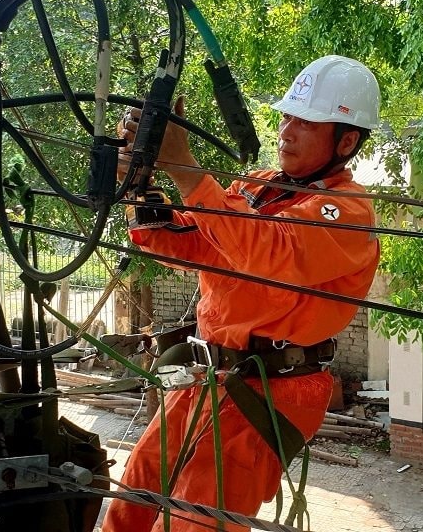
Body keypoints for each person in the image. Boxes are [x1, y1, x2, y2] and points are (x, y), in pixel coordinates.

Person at [102, 55, 382, 532]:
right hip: (206, 377)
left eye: (306, 122)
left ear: (347, 140)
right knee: (135, 496)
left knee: (197, 521)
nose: (287, 130)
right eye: (287, 116)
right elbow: (193, 244)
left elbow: (267, 251)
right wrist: (139, 186)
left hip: (272, 391)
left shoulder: (346, 212)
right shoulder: (260, 188)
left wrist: (187, 169)